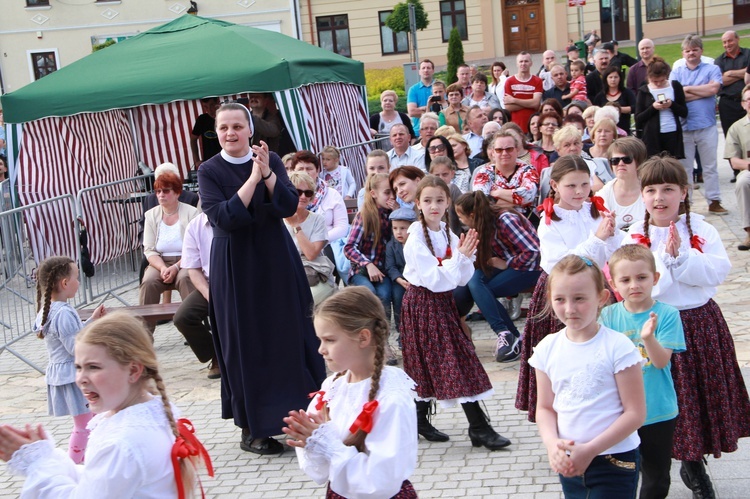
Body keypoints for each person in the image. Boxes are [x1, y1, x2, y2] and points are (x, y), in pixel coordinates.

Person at [198, 102, 326, 454]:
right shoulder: (209, 170)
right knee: (246, 343)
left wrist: (267, 172)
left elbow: (287, 207)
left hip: (275, 258)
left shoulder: (270, 160)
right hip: (235, 264)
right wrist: (253, 179)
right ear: (217, 131)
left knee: (289, 336)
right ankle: (253, 429)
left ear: (249, 130)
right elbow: (224, 217)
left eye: (238, 126)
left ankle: (303, 417)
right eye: (224, 128)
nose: (230, 133)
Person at [626, 155, 750, 498]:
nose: (659, 197)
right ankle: (659, 466)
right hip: (654, 326)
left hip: (698, 323)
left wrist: (683, 258)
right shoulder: (635, 235)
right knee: (664, 396)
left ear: (683, 192)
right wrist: (665, 263)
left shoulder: (702, 229)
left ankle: (694, 465)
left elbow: (716, 274)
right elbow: (633, 286)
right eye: (651, 190)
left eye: (668, 189)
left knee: (697, 394)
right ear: (642, 194)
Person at [0, 311, 213, 496]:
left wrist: (37, 463)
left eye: (93, 367)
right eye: (78, 367)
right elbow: (101, 482)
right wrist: (49, 456)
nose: (81, 378)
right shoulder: (152, 414)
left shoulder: (121, 442)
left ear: (133, 370)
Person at [401, 176, 511, 450]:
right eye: (427, 200)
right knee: (453, 361)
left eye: (439, 200)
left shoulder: (446, 232)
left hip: (441, 305)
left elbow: (461, 278)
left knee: (441, 362)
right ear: (418, 204)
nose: (434, 206)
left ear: (448, 201)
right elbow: (434, 280)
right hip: (423, 305)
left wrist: (463, 257)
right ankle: (479, 428)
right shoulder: (415, 240)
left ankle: (421, 421)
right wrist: (459, 257)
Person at [283, 287, 419, 498]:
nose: (321, 349)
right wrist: (310, 441)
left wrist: (328, 445)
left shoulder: (392, 399)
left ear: (363, 338)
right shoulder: (332, 387)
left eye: (330, 340)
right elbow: (320, 471)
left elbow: (381, 481)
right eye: (320, 340)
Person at [516, 156, 624, 422]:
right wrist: (596, 239)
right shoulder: (550, 220)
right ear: (554, 185)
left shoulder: (596, 211)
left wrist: (612, 238)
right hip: (560, 294)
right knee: (565, 358)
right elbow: (560, 262)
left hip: (597, 289)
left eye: (584, 185)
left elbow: (616, 248)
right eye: (571, 185)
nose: (579, 192)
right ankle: (563, 420)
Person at [530, 255, 645, 498]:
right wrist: (552, 445)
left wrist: (591, 449)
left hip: (614, 460)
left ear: (601, 298)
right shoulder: (546, 348)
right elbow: (545, 408)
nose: (570, 309)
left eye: (580, 299)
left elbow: (635, 413)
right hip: (569, 460)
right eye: (560, 299)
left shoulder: (618, 347)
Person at [601, 244, 686, 499]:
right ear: (613, 283)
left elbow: (661, 362)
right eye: (625, 280)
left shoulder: (667, 314)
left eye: (641, 277)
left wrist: (648, 337)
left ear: (655, 278)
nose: (634, 285)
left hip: (658, 411)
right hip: (620, 412)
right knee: (621, 471)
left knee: (656, 476)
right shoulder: (608, 316)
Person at [32, 256, 105, 464]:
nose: (79, 282)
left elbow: (75, 334)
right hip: (71, 376)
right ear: (65, 283)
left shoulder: (51, 309)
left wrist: (92, 321)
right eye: (76, 277)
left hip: (65, 374)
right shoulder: (63, 312)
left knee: (90, 420)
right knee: (83, 424)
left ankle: (86, 460)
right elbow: (75, 347)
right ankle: (73, 465)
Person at [453, 191, 541, 362]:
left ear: (472, 215)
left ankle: (508, 335)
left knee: (482, 291)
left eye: (460, 216)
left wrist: (508, 263)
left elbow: (533, 252)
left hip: (530, 268)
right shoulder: (482, 225)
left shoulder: (505, 219)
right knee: (474, 281)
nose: (460, 221)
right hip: (509, 265)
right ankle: (509, 335)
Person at [671, 34, 727, 214]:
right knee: (685, 168)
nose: (691, 53)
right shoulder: (677, 72)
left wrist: (686, 89)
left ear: (701, 51)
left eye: (695, 50)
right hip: (685, 126)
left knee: (710, 166)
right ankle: (686, 203)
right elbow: (676, 95)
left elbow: (713, 89)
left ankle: (714, 200)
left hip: (707, 125)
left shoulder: (712, 69)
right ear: (683, 53)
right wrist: (701, 92)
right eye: (687, 51)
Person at [140, 171, 198, 331]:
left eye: (166, 191)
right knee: (149, 281)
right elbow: (149, 250)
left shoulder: (192, 213)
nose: (161, 195)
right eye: (158, 191)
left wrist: (176, 267)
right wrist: (163, 268)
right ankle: (144, 335)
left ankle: (193, 329)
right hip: (160, 262)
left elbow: (195, 248)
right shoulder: (151, 215)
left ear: (177, 192)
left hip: (186, 261)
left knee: (186, 278)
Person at [174, 212, 220, 380]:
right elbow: (193, 269)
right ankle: (216, 354)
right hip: (210, 284)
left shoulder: (236, 216)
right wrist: (209, 295)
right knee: (183, 317)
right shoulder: (195, 226)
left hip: (238, 284)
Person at [344, 173, 394, 318]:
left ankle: (382, 335)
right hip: (361, 270)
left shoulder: (393, 215)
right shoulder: (365, 215)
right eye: (387, 192)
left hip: (383, 270)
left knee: (384, 295)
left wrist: (397, 213)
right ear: (373, 194)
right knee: (369, 295)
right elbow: (349, 247)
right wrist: (368, 264)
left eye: (393, 192)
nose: (392, 196)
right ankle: (368, 332)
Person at [285, 172, 336, 305]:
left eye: (308, 193)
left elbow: (311, 254)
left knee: (306, 302)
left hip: (314, 274)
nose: (303, 197)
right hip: (287, 273)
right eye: (298, 192)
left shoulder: (317, 220)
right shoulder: (276, 219)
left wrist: (295, 225)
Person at [472, 129, 539, 213]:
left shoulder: (529, 170)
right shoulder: (484, 173)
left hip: (526, 222)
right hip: (494, 222)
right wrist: (518, 201)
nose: (504, 153)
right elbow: (481, 202)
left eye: (509, 149)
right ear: (493, 153)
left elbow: (528, 196)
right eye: (499, 150)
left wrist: (496, 193)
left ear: (517, 150)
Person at [634, 57, 687, 158]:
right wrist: (653, 107)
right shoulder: (644, 90)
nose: (658, 84)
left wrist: (671, 105)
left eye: (662, 80)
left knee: (672, 166)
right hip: (652, 136)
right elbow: (638, 117)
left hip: (672, 132)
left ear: (667, 75)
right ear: (649, 77)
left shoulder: (675, 86)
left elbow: (684, 112)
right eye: (655, 81)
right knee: (654, 167)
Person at [292, 150, 349, 244]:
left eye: (309, 168)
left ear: (317, 171)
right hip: (296, 246)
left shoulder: (332, 194)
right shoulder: (287, 195)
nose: (305, 173)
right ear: (293, 171)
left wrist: (317, 241)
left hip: (328, 245)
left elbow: (342, 228)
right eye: (301, 169)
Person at [597, 137, 647, 231]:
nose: (620, 164)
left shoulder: (651, 190)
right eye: (615, 161)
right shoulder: (603, 195)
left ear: (639, 162)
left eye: (627, 159)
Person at [724, 83, 750, 250]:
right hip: (749, 170)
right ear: (742, 104)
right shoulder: (736, 128)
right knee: (742, 182)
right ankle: (749, 232)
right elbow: (734, 161)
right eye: (748, 99)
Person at [386, 207, 416, 338]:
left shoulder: (417, 243)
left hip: (417, 280)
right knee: (398, 297)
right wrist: (400, 280)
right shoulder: (391, 245)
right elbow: (390, 267)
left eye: (403, 228)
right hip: (400, 281)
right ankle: (402, 332)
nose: (399, 232)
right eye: (395, 228)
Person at [716, 31, 750, 138]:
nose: (727, 44)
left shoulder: (748, 54)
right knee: (731, 137)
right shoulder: (719, 60)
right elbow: (720, 81)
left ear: (737, 39)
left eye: (729, 41)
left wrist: (730, 73)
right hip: (727, 104)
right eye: (724, 42)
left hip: (747, 102)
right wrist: (744, 73)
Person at [504, 51, 543, 134]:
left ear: (531, 63)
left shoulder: (537, 81)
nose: (523, 64)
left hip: (533, 128)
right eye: (521, 61)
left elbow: (536, 104)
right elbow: (508, 107)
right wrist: (529, 102)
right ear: (517, 64)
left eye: (526, 61)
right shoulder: (509, 81)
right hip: (516, 128)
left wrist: (514, 100)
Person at [406, 59, 436, 136]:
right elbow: (412, 112)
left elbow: (444, 109)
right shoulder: (413, 89)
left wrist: (421, 109)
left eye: (428, 68)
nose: (426, 70)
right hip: (419, 131)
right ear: (419, 71)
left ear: (433, 71)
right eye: (423, 68)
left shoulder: (439, 87)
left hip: (437, 130)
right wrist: (431, 110)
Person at [190, 97, 220, 168]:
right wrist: (196, 160)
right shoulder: (202, 120)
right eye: (205, 107)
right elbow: (193, 139)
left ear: (218, 102)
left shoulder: (227, 117)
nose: (209, 110)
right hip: (209, 164)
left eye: (212, 105)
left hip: (227, 162)